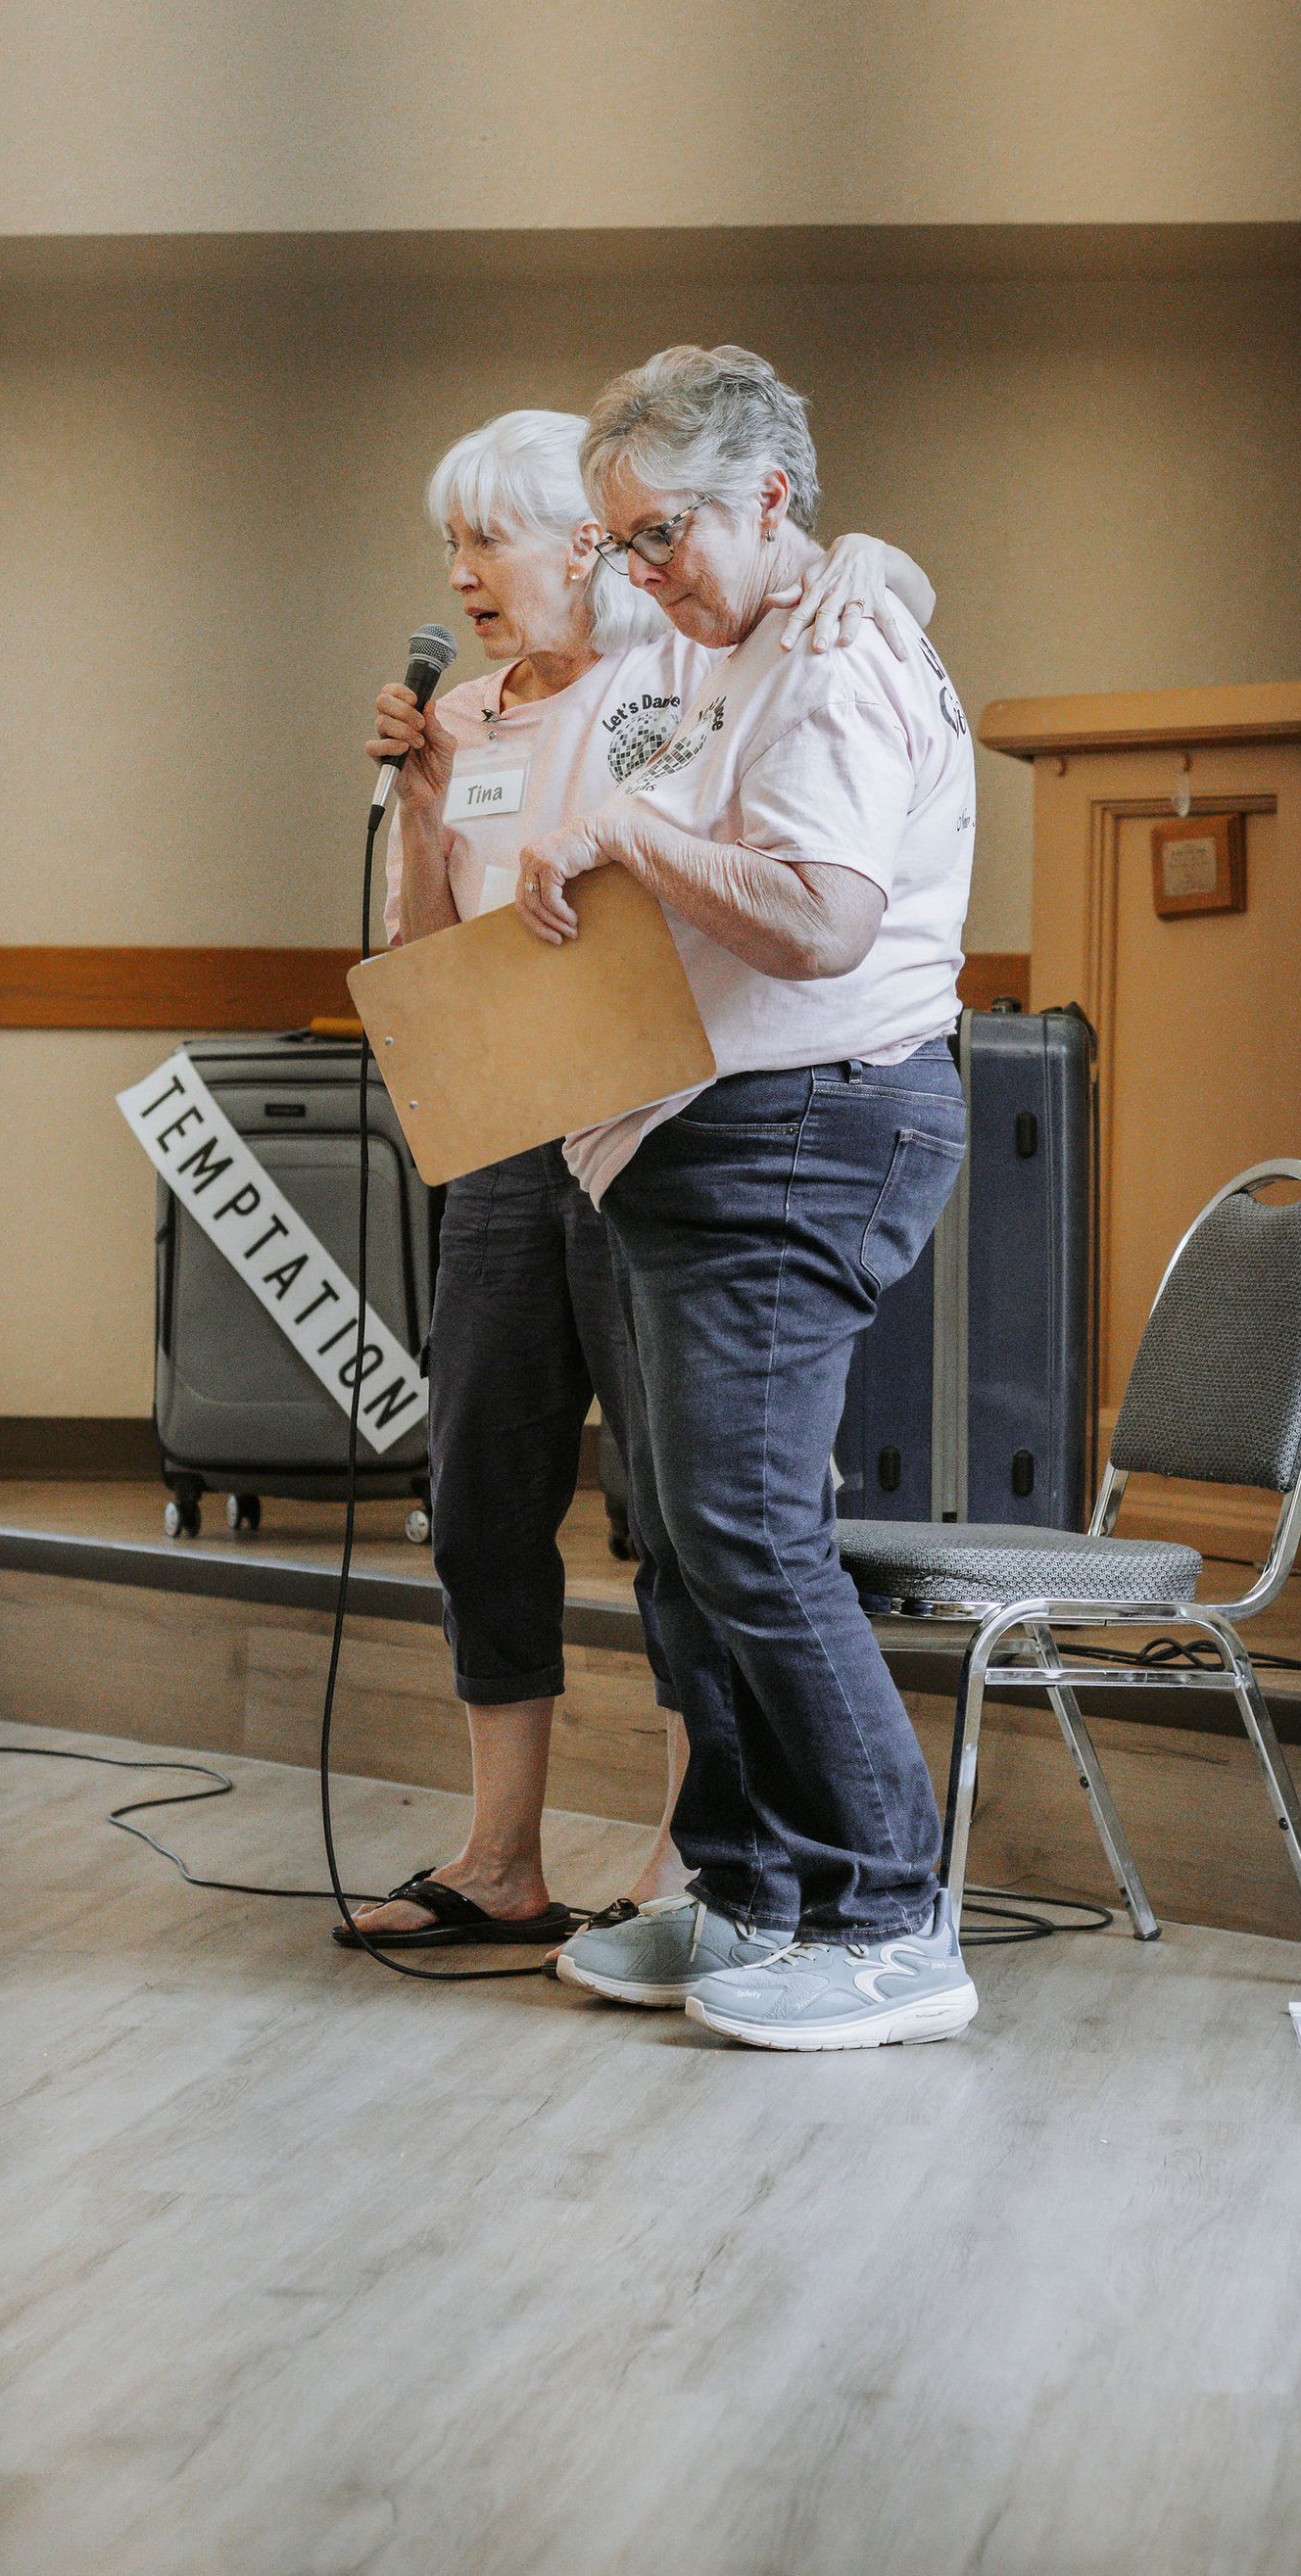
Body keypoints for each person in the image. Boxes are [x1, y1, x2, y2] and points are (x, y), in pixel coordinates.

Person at [345, 405, 938, 1946]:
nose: (467, 574)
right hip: (517, 1136)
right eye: (452, 547)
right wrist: (422, 808)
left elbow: (836, 628)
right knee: (489, 1489)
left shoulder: (671, 667)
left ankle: (725, 1876)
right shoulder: (482, 718)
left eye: (493, 538)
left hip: (678, 1119)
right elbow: (432, 959)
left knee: (692, 1516)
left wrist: (877, 562)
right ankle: (519, 1860)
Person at [514, 347, 979, 2051]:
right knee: (685, 1549)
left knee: (750, 1532)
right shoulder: (743, 641)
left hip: (807, 1129)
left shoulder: (843, 648)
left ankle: (889, 1916)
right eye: (618, 546)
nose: (641, 576)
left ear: (768, 498)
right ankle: (748, 1892)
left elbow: (822, 919)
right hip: (692, 1140)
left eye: (658, 538)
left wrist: (630, 837)